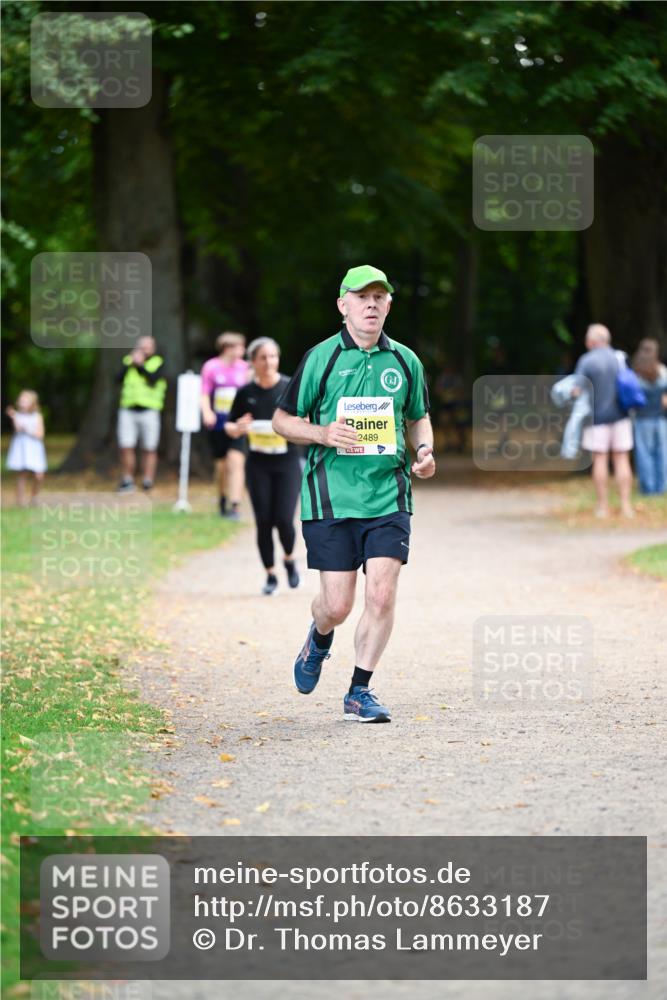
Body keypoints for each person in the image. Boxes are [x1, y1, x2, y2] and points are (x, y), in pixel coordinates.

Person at [272, 264, 435, 723]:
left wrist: (424, 449)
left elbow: (418, 416)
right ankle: (319, 637)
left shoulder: (405, 361)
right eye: (362, 297)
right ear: (343, 305)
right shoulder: (320, 358)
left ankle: (359, 691)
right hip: (331, 499)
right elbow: (282, 420)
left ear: (388, 305)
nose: (371, 304)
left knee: (381, 596)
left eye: (379, 297)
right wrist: (324, 434)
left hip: (389, 497)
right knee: (337, 605)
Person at [224, 338, 301, 594]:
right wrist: (237, 428)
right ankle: (270, 575)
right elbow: (230, 425)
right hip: (258, 463)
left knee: (284, 519)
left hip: (287, 462)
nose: (268, 362)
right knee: (264, 521)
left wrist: (296, 426)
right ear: (253, 362)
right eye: (263, 358)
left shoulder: (290, 386)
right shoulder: (246, 393)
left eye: (273, 357)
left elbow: (308, 418)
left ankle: (289, 559)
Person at [573, 323, 634, 518]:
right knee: (622, 459)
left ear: (591, 341)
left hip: (597, 419)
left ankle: (602, 507)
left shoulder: (587, 361)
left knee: (600, 459)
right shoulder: (620, 358)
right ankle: (626, 506)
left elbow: (576, 390)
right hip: (621, 417)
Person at [200, 332, 250, 520]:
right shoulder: (211, 367)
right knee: (222, 467)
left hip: (238, 424)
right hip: (218, 423)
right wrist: (207, 412)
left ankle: (235, 506)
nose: (242, 351)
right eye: (239, 347)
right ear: (227, 348)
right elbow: (204, 393)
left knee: (236, 462)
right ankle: (222, 498)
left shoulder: (245, 368)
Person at [116, 336, 167, 493]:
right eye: (141, 346)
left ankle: (147, 480)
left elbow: (153, 380)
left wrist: (140, 365)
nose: (144, 349)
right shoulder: (127, 361)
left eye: (147, 346)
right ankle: (127, 480)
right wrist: (131, 363)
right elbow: (117, 379)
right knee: (126, 445)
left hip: (149, 410)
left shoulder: (158, 362)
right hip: (128, 410)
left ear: (153, 348)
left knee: (149, 447)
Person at [631, 338, 667, 495]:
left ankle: (648, 488)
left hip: (642, 418)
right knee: (662, 453)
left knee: (644, 454)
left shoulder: (636, 374)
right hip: (659, 419)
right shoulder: (663, 371)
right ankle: (661, 486)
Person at [5, 389, 47, 506]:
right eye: (21, 399)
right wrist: (14, 416)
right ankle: (20, 501)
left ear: (32, 403)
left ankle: (34, 496)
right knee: (21, 474)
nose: (22, 401)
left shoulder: (37, 416)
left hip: (34, 448)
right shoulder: (17, 416)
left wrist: (27, 429)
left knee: (39, 475)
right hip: (21, 447)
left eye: (25, 400)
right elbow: (18, 429)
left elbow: (40, 434)